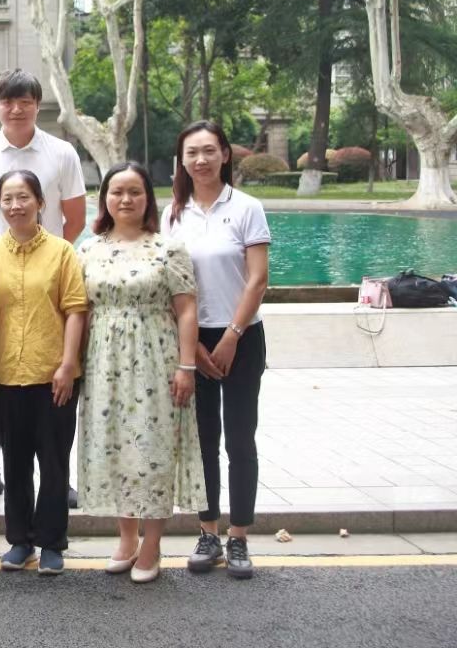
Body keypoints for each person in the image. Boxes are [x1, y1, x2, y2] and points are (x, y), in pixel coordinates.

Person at [0, 69, 86, 505]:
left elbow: (76, 217)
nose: (16, 108)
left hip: (47, 273)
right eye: (8, 101)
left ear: (37, 104)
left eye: (25, 101)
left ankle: (57, 476)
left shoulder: (61, 153)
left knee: (52, 376)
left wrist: (51, 263)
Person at [76, 162, 206, 584]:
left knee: (152, 449)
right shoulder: (87, 249)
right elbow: (80, 310)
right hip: (104, 362)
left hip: (155, 358)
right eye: (117, 192)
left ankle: (152, 544)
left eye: (134, 191)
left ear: (148, 197)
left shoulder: (168, 249)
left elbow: (187, 310)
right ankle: (126, 537)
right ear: (105, 199)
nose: (125, 199)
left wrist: (186, 366)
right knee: (115, 447)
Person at [162, 121, 271, 580]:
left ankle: (240, 537)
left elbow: (258, 279)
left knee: (240, 439)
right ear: (182, 160)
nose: (201, 160)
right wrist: (194, 349)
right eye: (192, 153)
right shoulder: (172, 215)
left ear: (225, 155)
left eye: (209, 151)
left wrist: (230, 336)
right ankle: (208, 532)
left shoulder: (246, 208)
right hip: (191, 341)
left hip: (241, 338)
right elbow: (166, 283)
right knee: (202, 440)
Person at [0, 169, 87, 576]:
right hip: (6, 372)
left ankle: (51, 542)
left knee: (53, 460)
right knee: (14, 461)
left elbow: (76, 308)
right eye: (8, 198)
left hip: (54, 375)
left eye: (23, 197)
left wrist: (67, 364)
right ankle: (19, 540)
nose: (16, 205)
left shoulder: (63, 251)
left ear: (41, 203)